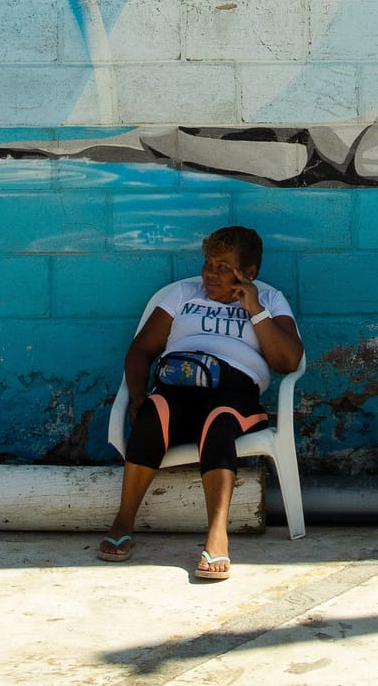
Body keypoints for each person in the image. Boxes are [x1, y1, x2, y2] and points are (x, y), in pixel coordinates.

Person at [98, 226, 304, 581]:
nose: (210, 273)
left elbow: (288, 361)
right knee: (153, 414)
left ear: (248, 273)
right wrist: (136, 395)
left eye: (224, 267)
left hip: (233, 395)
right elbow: (142, 350)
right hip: (177, 386)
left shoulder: (270, 302)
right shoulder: (182, 295)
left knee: (219, 421)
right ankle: (124, 519)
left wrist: (254, 309)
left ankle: (217, 534)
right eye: (209, 263)